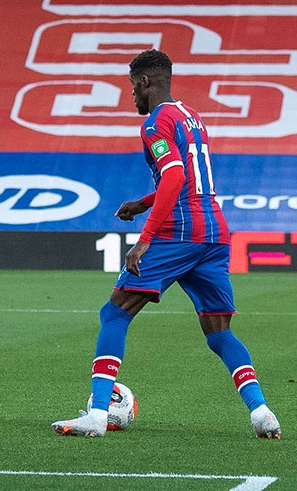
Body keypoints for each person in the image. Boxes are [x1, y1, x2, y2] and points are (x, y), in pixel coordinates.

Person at [51, 49, 281, 439]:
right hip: (213, 232)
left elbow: (174, 178)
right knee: (219, 332)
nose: (132, 98)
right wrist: (143, 202)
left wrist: (144, 240)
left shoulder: (156, 122)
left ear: (145, 82)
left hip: (178, 232)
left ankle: (96, 414)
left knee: (115, 313)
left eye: (131, 88)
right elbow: (187, 177)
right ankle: (261, 413)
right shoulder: (192, 117)